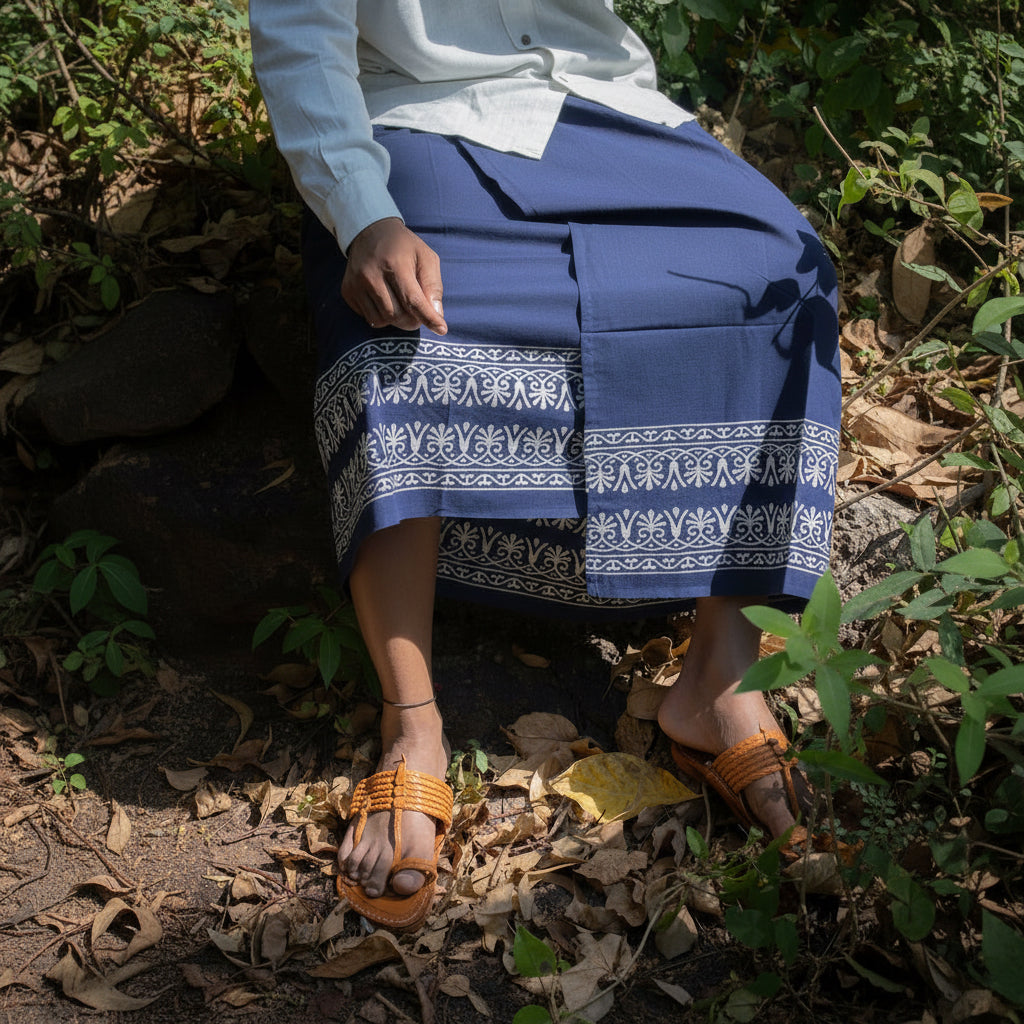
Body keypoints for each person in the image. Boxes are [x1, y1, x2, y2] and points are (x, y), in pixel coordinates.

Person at [250, 0, 840, 931]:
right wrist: (364, 216)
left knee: (788, 276)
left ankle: (716, 684)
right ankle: (413, 720)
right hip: (423, 119)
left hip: (606, 110)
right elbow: (300, 39)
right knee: (406, 316)